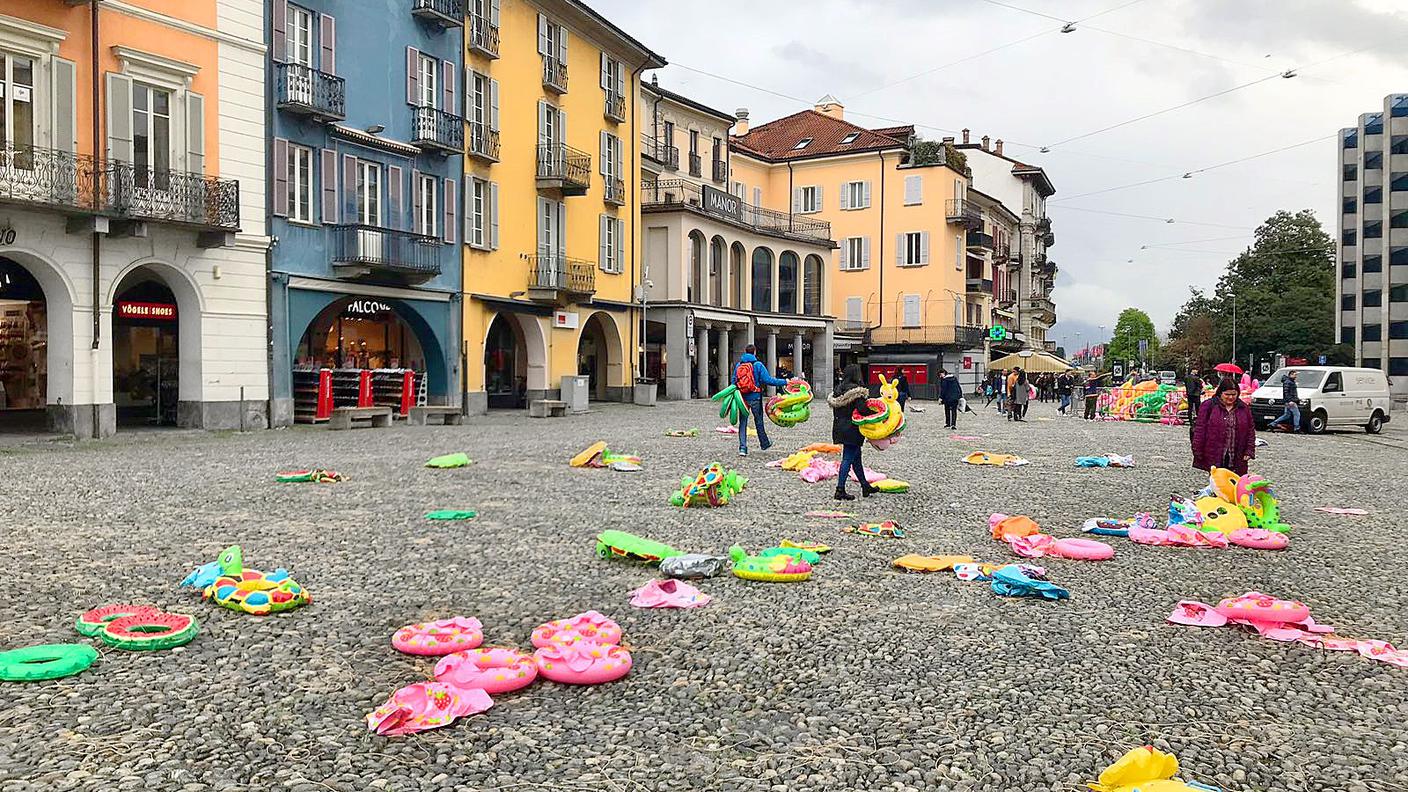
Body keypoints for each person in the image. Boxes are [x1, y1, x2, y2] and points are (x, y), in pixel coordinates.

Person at [828, 365, 876, 501]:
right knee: (848, 458)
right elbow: (862, 409)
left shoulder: (838, 390)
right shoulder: (857, 391)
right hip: (853, 428)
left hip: (839, 427)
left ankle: (865, 485)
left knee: (856, 459)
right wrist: (876, 413)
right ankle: (840, 489)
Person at [732, 344, 788, 456]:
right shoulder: (758, 365)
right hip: (755, 397)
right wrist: (785, 382)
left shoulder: (739, 365)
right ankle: (764, 443)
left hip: (742, 398)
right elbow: (768, 380)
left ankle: (742, 448)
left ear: (745, 352)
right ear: (755, 352)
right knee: (758, 421)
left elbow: (734, 381)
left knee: (743, 422)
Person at [1192, 380, 1256, 475]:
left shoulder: (1243, 408)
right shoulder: (1209, 406)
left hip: (1237, 452)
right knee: (1218, 481)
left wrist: (1249, 450)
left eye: (1234, 394)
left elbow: (1250, 430)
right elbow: (1200, 429)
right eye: (1227, 394)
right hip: (1214, 452)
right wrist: (1197, 449)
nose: (1231, 397)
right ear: (1220, 393)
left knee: (1236, 481)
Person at [1183, 367, 1204, 439]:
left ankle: (1190, 421)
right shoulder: (1196, 378)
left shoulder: (1186, 377)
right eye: (1196, 370)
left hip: (1189, 394)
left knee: (1190, 408)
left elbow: (1186, 385)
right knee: (1198, 408)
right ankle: (1198, 420)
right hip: (1196, 394)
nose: (1197, 371)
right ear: (1193, 370)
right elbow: (1200, 386)